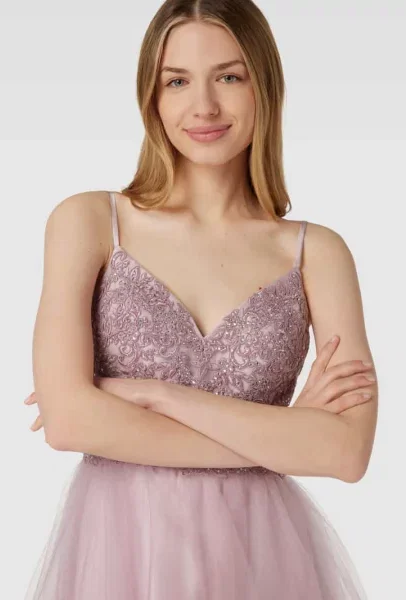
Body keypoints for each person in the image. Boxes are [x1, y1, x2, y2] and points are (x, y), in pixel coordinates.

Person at [24, 1, 377, 598]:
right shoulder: (89, 222)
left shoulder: (318, 253)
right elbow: (68, 421)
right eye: (177, 81)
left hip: (263, 556)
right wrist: (283, 439)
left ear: (264, 87)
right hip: (122, 550)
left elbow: (345, 453)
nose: (204, 106)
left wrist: (156, 396)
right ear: (151, 97)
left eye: (229, 77)